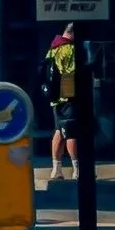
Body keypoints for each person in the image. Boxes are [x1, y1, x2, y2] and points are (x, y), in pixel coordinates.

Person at [44, 26, 81, 183]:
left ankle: (56, 169)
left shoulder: (52, 49)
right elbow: (74, 71)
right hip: (69, 96)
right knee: (71, 132)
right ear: (72, 33)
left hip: (55, 97)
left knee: (59, 131)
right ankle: (77, 169)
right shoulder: (70, 49)